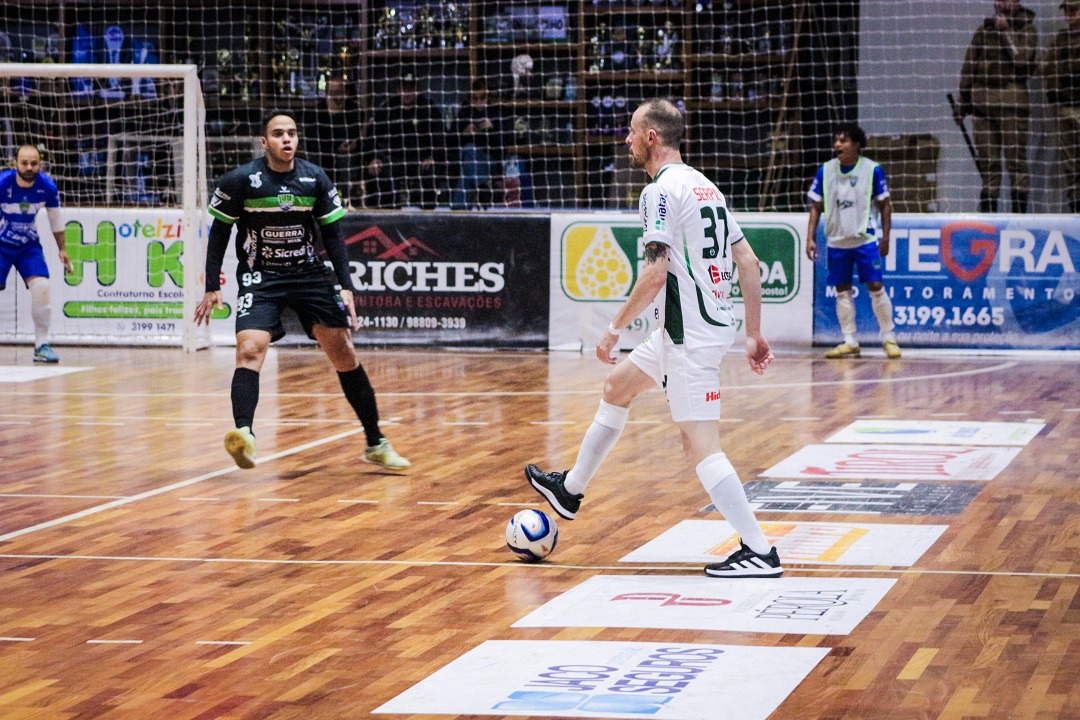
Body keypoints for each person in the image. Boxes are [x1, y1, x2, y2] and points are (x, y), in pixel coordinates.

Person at [524, 98, 783, 579]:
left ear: (651, 137)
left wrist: (613, 326)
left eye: (630, 131)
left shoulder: (659, 193)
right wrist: (754, 333)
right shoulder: (707, 187)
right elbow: (748, 263)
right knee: (616, 388)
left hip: (689, 336)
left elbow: (656, 273)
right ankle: (570, 491)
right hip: (689, 331)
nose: (625, 139)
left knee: (700, 444)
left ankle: (760, 550)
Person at [194, 111, 410, 472]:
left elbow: (333, 236)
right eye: (278, 134)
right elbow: (219, 233)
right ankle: (244, 435)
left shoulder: (314, 177)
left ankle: (375, 442)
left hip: (309, 275)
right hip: (261, 276)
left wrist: (345, 286)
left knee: (343, 354)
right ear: (265, 142)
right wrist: (212, 285)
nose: (286, 139)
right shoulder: (240, 180)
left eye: (291, 133)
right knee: (249, 349)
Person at [806, 123, 900, 360]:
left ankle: (888, 337)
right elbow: (816, 207)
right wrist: (809, 237)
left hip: (865, 239)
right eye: (836, 140)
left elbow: (885, 205)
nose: (838, 145)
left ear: (857, 144)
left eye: (844, 140)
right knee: (842, 291)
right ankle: (850, 341)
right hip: (837, 240)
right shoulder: (825, 170)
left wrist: (886, 236)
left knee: (876, 287)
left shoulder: (872, 170)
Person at [955, 0, 1037, 213]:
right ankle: (988, 219)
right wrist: (963, 102)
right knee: (989, 164)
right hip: (982, 106)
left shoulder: (1027, 29)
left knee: (1015, 162)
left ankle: (1019, 219)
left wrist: (1006, 31)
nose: (1000, 4)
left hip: (1012, 104)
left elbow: (1021, 59)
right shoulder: (983, 30)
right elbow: (969, 66)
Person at [0, 144, 73, 363]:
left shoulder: (47, 187)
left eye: (34, 163)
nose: (29, 167)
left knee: (42, 288)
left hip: (27, 246)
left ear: (40, 164)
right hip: (1, 244)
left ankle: (41, 345)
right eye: (24, 163)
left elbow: (55, 219)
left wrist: (62, 248)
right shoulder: (3, 183)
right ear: (16, 164)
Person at [362, 73, 449, 209]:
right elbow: (372, 136)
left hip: (421, 159)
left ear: (416, 90)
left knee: (431, 172)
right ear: (398, 90)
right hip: (395, 158)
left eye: (410, 89)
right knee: (382, 171)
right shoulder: (387, 108)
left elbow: (440, 136)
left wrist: (433, 157)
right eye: (404, 89)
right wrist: (374, 158)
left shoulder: (428, 108)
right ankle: (388, 215)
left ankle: (427, 216)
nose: (407, 93)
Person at [1042, 0, 1080, 213]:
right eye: (1067, 10)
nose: (1069, 15)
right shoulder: (1060, 40)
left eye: (1074, 10)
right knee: (1071, 165)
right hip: (1064, 106)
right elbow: (1042, 66)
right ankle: (1076, 213)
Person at [304, 76, 363, 209]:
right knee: (317, 160)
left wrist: (353, 144)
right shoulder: (315, 112)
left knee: (346, 159)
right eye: (333, 92)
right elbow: (314, 142)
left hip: (346, 155)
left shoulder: (355, 110)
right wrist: (336, 148)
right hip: (323, 154)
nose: (336, 96)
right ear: (326, 93)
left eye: (339, 92)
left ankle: (348, 202)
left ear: (346, 93)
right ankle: (319, 202)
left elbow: (354, 134)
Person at [452, 79, 508, 210]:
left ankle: (458, 211)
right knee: (469, 150)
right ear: (470, 98)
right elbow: (449, 141)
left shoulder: (496, 112)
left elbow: (505, 142)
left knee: (467, 169)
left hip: (490, 160)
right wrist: (463, 134)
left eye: (482, 98)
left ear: (487, 97)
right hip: (465, 158)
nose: (478, 102)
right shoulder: (463, 113)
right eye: (474, 98)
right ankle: (483, 185)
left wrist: (493, 128)